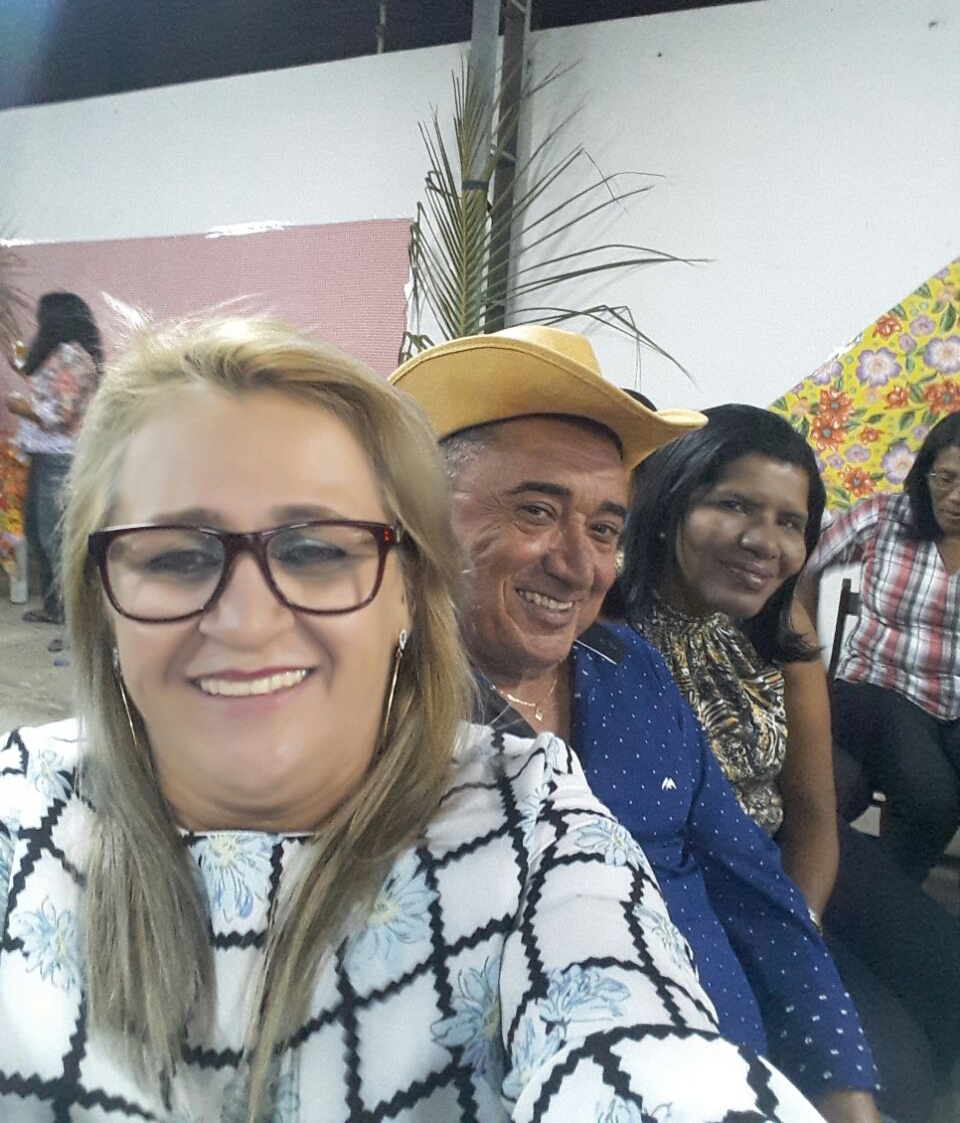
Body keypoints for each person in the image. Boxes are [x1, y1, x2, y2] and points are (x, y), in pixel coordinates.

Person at [0, 315, 825, 1123]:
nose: (247, 623)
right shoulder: (25, 816)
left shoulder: (534, 811)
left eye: (316, 550)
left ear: (405, 586)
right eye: (179, 556)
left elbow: (638, 1028)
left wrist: (834, 1066)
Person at [392, 324, 881, 1123]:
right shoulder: (381, 713)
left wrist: (842, 1081)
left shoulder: (630, 670)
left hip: (739, 1073)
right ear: (424, 515)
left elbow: (757, 888)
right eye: (536, 511)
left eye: (603, 529)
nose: (576, 564)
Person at [620, 403, 960, 1123]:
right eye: (733, 505)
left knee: (947, 980)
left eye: (789, 522)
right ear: (671, 504)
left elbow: (811, 812)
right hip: (693, 884)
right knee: (891, 1077)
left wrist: (798, 926)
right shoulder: (610, 631)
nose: (763, 542)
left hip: (784, 853)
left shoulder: (781, 623)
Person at [798, 410, 960, 883]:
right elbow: (805, 568)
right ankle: (879, 897)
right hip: (879, 687)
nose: (957, 496)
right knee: (931, 800)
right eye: (947, 479)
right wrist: (807, 660)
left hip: (953, 701)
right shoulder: (886, 517)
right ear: (926, 474)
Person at [5, 291, 102, 627]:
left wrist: (23, 409)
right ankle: (55, 607)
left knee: (52, 538)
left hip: (60, 459)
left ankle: (67, 611)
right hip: (46, 455)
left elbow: (61, 414)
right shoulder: (61, 355)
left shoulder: (71, 358)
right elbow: (53, 392)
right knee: (38, 531)